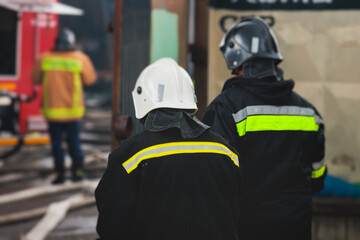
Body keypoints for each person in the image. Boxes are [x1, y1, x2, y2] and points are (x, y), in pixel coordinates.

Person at [202, 17, 327, 240]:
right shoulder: (308, 112)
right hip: (295, 227)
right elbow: (317, 177)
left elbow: (213, 179)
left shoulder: (226, 108)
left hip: (245, 227)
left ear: (237, 61)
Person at [95, 58, 242, 240]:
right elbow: (238, 215)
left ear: (143, 98)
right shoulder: (226, 152)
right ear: (191, 98)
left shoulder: (129, 158)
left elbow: (112, 226)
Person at [31, 28, 96, 184]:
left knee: (56, 144)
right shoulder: (80, 58)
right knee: (74, 141)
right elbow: (90, 80)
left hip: (53, 112)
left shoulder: (45, 58)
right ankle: (77, 173)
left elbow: (35, 79)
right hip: (73, 111)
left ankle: (60, 175)